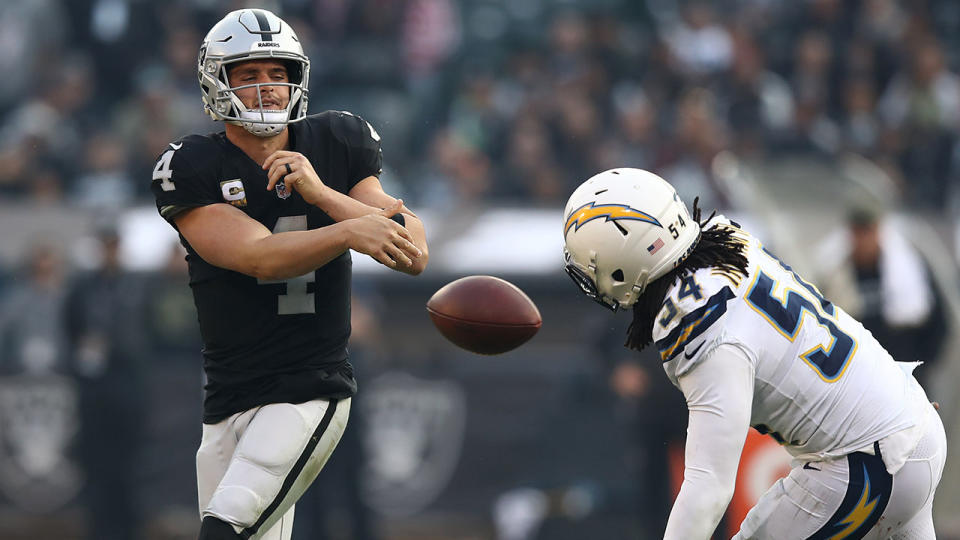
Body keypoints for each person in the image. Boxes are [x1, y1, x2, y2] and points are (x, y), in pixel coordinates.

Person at [149, 9, 428, 540]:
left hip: (306, 390)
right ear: (217, 81)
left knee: (224, 530)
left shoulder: (335, 142)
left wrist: (321, 194)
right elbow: (260, 257)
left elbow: (414, 251)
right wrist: (345, 233)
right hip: (228, 397)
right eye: (249, 74)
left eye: (277, 74)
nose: (267, 89)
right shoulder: (191, 165)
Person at [561, 168, 945, 539]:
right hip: (914, 420)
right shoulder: (725, 241)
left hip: (867, 462)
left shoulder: (697, 324)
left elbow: (707, 488)